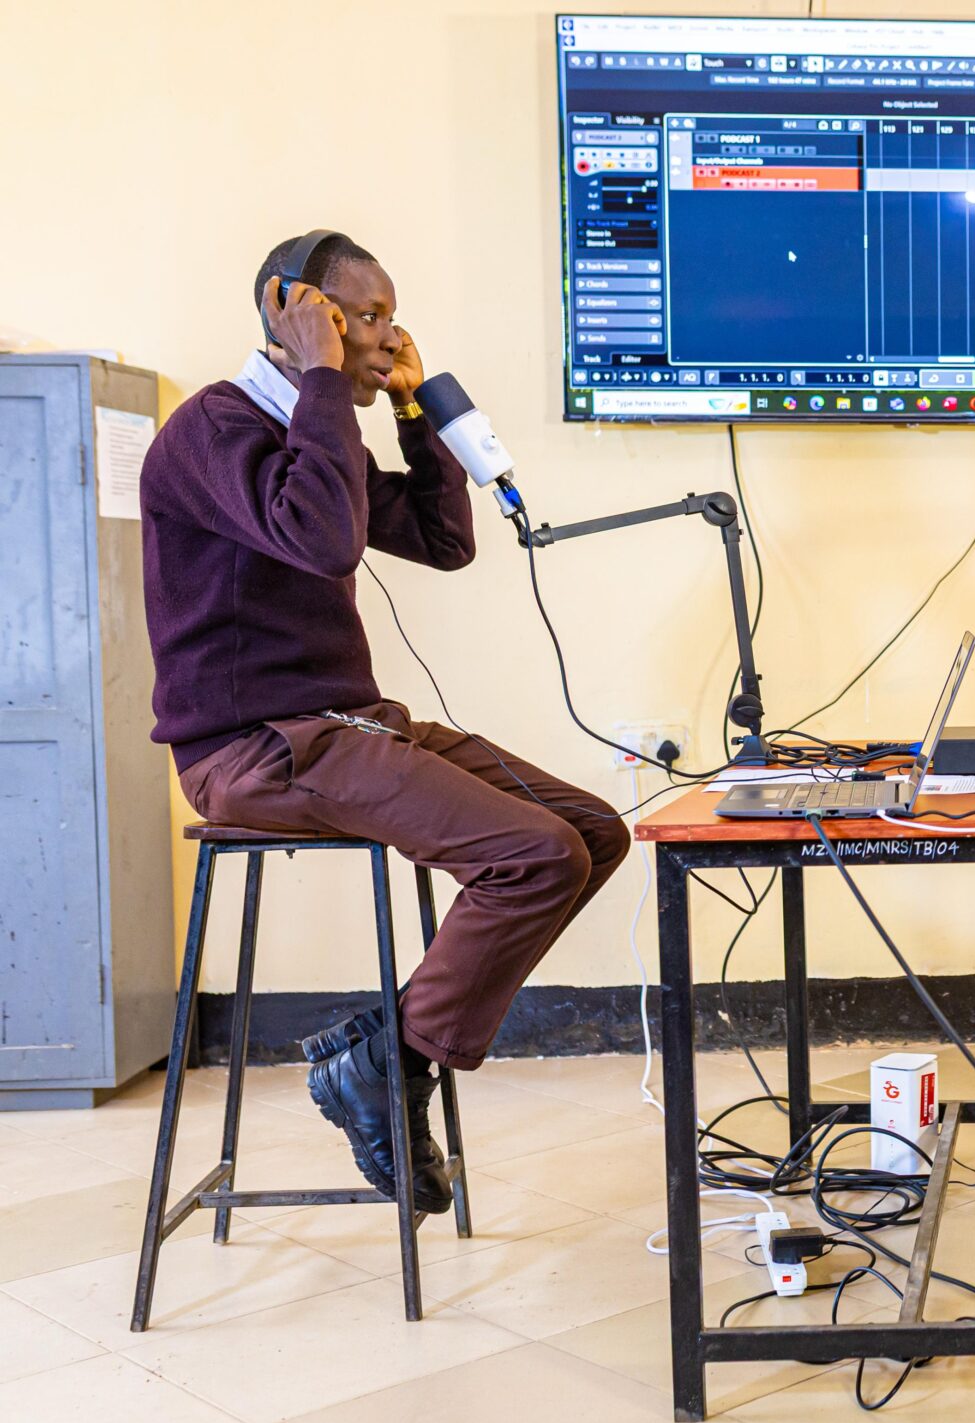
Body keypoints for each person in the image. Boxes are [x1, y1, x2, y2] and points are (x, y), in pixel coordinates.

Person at [140, 231, 629, 1212]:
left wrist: (411, 405)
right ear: (294, 307)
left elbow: (446, 541)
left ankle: (387, 1056)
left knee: (588, 832)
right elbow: (321, 540)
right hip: (255, 747)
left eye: (389, 316)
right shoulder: (212, 430)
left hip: (347, 725)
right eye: (364, 315)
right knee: (532, 856)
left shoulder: (322, 433)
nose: (384, 334)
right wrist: (328, 378)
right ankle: (393, 1064)